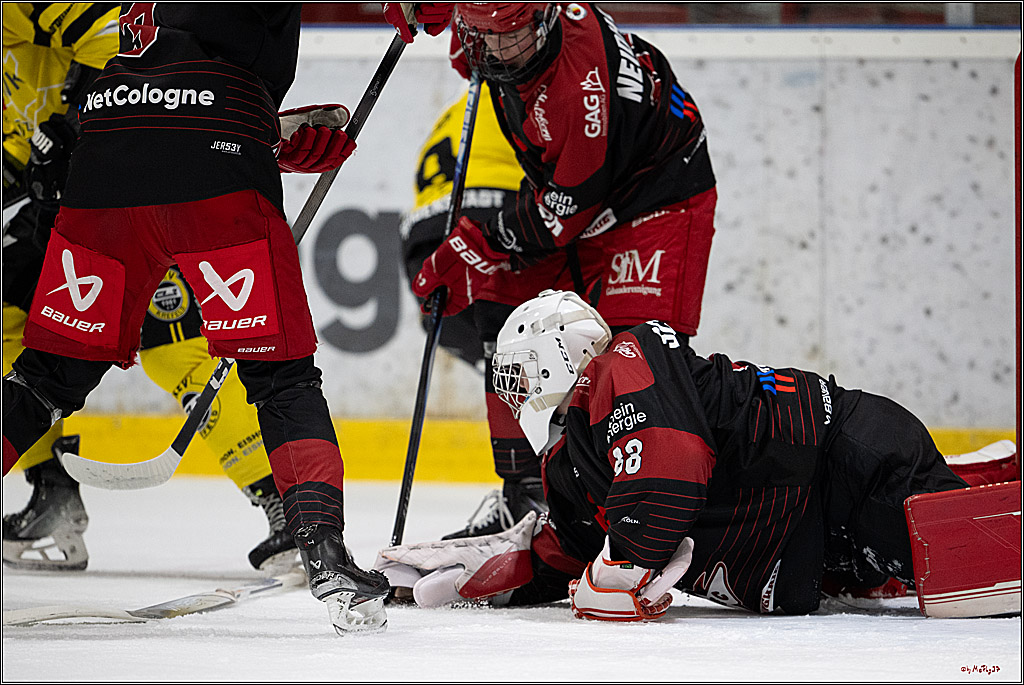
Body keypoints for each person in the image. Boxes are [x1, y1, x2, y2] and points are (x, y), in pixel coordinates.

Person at [2, 2, 454, 634]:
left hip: (109, 141)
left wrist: (264, 126)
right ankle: (323, 554)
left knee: (45, 375)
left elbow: (172, 72)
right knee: (282, 380)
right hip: (212, 157)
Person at [377, 290, 1017, 620]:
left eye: (519, 378)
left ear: (556, 356)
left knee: (982, 569)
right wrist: (486, 571)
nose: (514, 396)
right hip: (817, 538)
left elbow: (668, 471)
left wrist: (621, 569)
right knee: (960, 550)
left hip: (848, 465)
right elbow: (568, 549)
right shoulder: (574, 453)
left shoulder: (627, 363)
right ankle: (999, 468)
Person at [2, 2, 294, 576]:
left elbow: (136, 46)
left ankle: (283, 503)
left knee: (172, 343)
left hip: (112, 171)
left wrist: (73, 128)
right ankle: (51, 490)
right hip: (43, 197)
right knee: (19, 328)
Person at [410, 3, 719, 540]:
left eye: (513, 36)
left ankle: (642, 512)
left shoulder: (582, 89)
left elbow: (562, 215)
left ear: (548, 21)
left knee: (636, 356)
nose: (500, 51)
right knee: (502, 299)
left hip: (655, 199)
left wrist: (474, 242)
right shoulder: (486, 35)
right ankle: (526, 496)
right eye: (483, 36)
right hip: (577, 190)